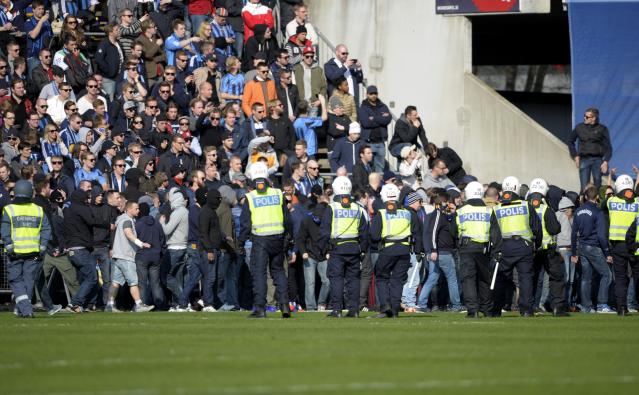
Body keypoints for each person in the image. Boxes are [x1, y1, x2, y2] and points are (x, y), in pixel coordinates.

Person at [239, 162, 291, 318]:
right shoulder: (278, 193)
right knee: (279, 271)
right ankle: (284, 306)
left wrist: (240, 243)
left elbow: (245, 224)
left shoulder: (250, 196)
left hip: (260, 240)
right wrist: (288, 238)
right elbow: (287, 219)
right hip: (278, 238)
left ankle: (260, 308)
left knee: (259, 273)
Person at [367, 183, 421, 318]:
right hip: (404, 251)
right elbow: (417, 232)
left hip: (387, 250)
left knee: (381, 277)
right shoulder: (408, 213)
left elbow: (374, 235)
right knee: (397, 280)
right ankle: (395, 310)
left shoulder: (382, 213)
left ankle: (386, 307)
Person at [492, 176, 542, 317]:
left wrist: (496, 250)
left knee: (501, 278)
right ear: (517, 188)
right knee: (525, 278)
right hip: (524, 246)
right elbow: (537, 228)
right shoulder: (526, 205)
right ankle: (526, 310)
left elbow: (494, 233)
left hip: (505, 246)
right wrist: (535, 245)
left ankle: (496, 309)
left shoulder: (497, 208)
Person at [1, 180, 52, 318]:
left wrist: (9, 245)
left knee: (16, 281)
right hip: (34, 253)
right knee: (28, 281)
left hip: (15, 253)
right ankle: (22, 309)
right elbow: (46, 229)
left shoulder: (9, 209)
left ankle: (26, 310)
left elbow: (5, 229)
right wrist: (42, 247)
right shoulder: (38, 209)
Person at [320, 176, 369, 318]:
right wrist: (363, 250)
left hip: (337, 249)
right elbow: (364, 232)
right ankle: (354, 310)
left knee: (336, 279)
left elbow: (324, 231)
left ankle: (337, 310)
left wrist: (323, 250)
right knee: (353, 280)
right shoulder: (358, 208)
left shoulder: (332, 207)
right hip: (354, 249)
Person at [454, 181, 500, 318]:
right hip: (484, 250)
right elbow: (495, 233)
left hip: (466, 248)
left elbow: (453, 230)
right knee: (484, 280)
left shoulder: (461, 210)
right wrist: (497, 251)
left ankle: (472, 310)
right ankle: (486, 309)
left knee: (468, 280)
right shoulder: (488, 210)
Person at [63, 188, 110, 313]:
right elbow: (92, 220)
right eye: (87, 198)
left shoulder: (68, 210)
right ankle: (75, 303)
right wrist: (107, 224)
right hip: (80, 249)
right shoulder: (81, 208)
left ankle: (83, 304)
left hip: (71, 249)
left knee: (87, 278)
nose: (88, 201)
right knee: (92, 278)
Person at [527, 178, 568, 316]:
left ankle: (529, 307)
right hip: (547, 250)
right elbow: (554, 229)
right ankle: (557, 308)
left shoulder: (524, 208)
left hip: (531, 250)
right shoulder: (546, 210)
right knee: (556, 278)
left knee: (532, 278)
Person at [105, 201, 155, 313]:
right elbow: (128, 233)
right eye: (136, 209)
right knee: (133, 282)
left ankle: (110, 305)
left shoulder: (121, 219)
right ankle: (138, 305)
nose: (138, 210)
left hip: (117, 256)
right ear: (129, 209)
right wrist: (141, 243)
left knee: (115, 282)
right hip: (126, 256)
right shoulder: (127, 220)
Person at [571, 185, 613, 313]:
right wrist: (607, 253)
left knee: (585, 278)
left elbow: (573, 233)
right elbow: (601, 235)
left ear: (585, 197)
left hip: (582, 247)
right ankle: (601, 304)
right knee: (607, 274)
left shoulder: (578, 211)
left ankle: (586, 307)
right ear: (597, 198)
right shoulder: (598, 212)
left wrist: (574, 252)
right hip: (594, 247)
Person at [603, 174, 638, 316]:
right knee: (637, 276)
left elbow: (603, 200)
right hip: (635, 245)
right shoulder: (637, 202)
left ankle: (622, 308)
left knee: (620, 277)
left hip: (618, 246)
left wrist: (610, 187)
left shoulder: (611, 201)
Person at [568, 107, 612, 191]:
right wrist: (575, 156)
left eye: (587, 117)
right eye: (584, 116)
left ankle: (596, 203)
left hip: (598, 160)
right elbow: (570, 141)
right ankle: (584, 202)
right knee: (584, 186)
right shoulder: (579, 127)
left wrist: (605, 161)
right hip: (584, 160)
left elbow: (609, 147)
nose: (585, 118)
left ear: (594, 118)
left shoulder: (602, 129)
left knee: (597, 185)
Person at [357, 85, 391, 173]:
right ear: (367, 94)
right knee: (368, 168)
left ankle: (378, 186)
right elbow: (366, 123)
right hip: (369, 144)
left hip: (381, 143)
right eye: (371, 93)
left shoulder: (383, 106)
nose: (373, 95)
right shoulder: (362, 108)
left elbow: (387, 119)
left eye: (375, 93)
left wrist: (374, 118)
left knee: (380, 169)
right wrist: (380, 118)